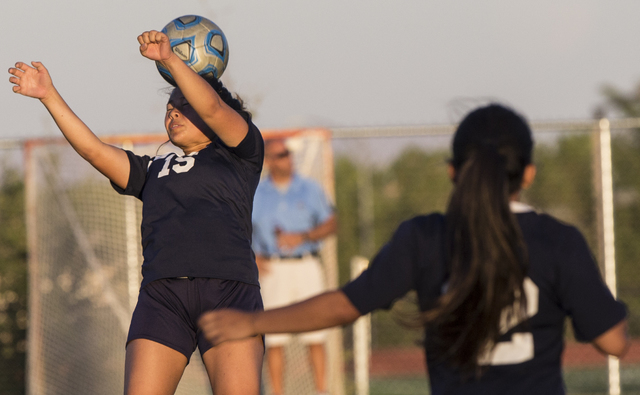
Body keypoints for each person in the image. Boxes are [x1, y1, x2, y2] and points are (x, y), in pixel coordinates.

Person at [199, 104, 630, 395]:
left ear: (452, 172)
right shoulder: (557, 241)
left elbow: (345, 305)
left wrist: (252, 321)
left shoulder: (425, 238)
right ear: (529, 174)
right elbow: (612, 342)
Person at [9, 29, 265, 395]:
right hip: (163, 297)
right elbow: (95, 152)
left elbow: (211, 107)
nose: (173, 113)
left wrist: (171, 60)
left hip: (228, 292)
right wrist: (49, 96)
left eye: (183, 105)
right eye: (169, 108)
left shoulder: (242, 153)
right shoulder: (153, 170)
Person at [252, 138, 337, 395]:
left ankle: (322, 391)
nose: (287, 158)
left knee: (316, 334)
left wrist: (303, 237)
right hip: (273, 268)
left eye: (288, 154)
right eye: (281, 154)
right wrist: (252, 257)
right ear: (268, 160)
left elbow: (331, 223)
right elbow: (240, 230)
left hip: (306, 264)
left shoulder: (310, 189)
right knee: (275, 337)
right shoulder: (256, 192)